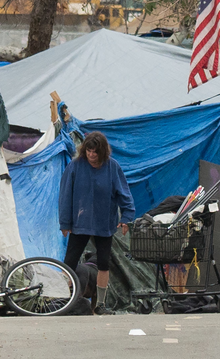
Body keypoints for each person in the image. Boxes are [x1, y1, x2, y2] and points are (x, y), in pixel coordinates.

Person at [59, 131, 135, 315]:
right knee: (69, 262)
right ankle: (61, 299)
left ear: (103, 152)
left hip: (104, 222)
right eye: (89, 151)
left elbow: (124, 193)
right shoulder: (75, 166)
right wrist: (64, 222)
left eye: (95, 152)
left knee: (103, 263)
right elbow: (65, 195)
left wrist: (126, 217)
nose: (92, 155)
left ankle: (100, 304)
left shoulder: (112, 167)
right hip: (80, 221)